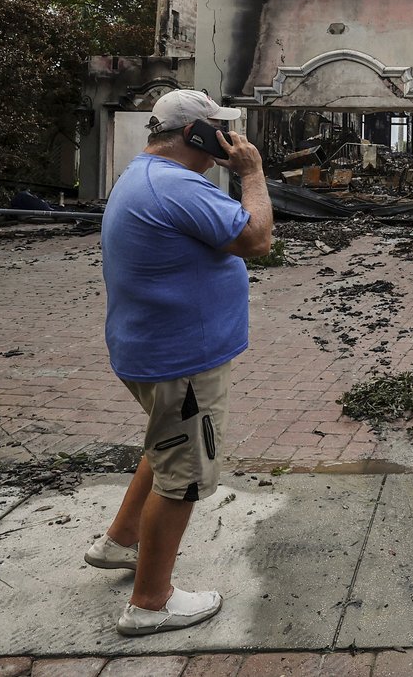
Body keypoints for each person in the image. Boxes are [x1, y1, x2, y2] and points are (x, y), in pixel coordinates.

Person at [84, 89, 272, 636]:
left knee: (166, 445)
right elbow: (257, 238)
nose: (231, 137)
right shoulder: (174, 185)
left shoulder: (145, 175)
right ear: (196, 133)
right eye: (221, 128)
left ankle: (121, 541)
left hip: (154, 351)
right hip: (182, 361)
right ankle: (150, 602)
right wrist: (252, 174)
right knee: (183, 478)